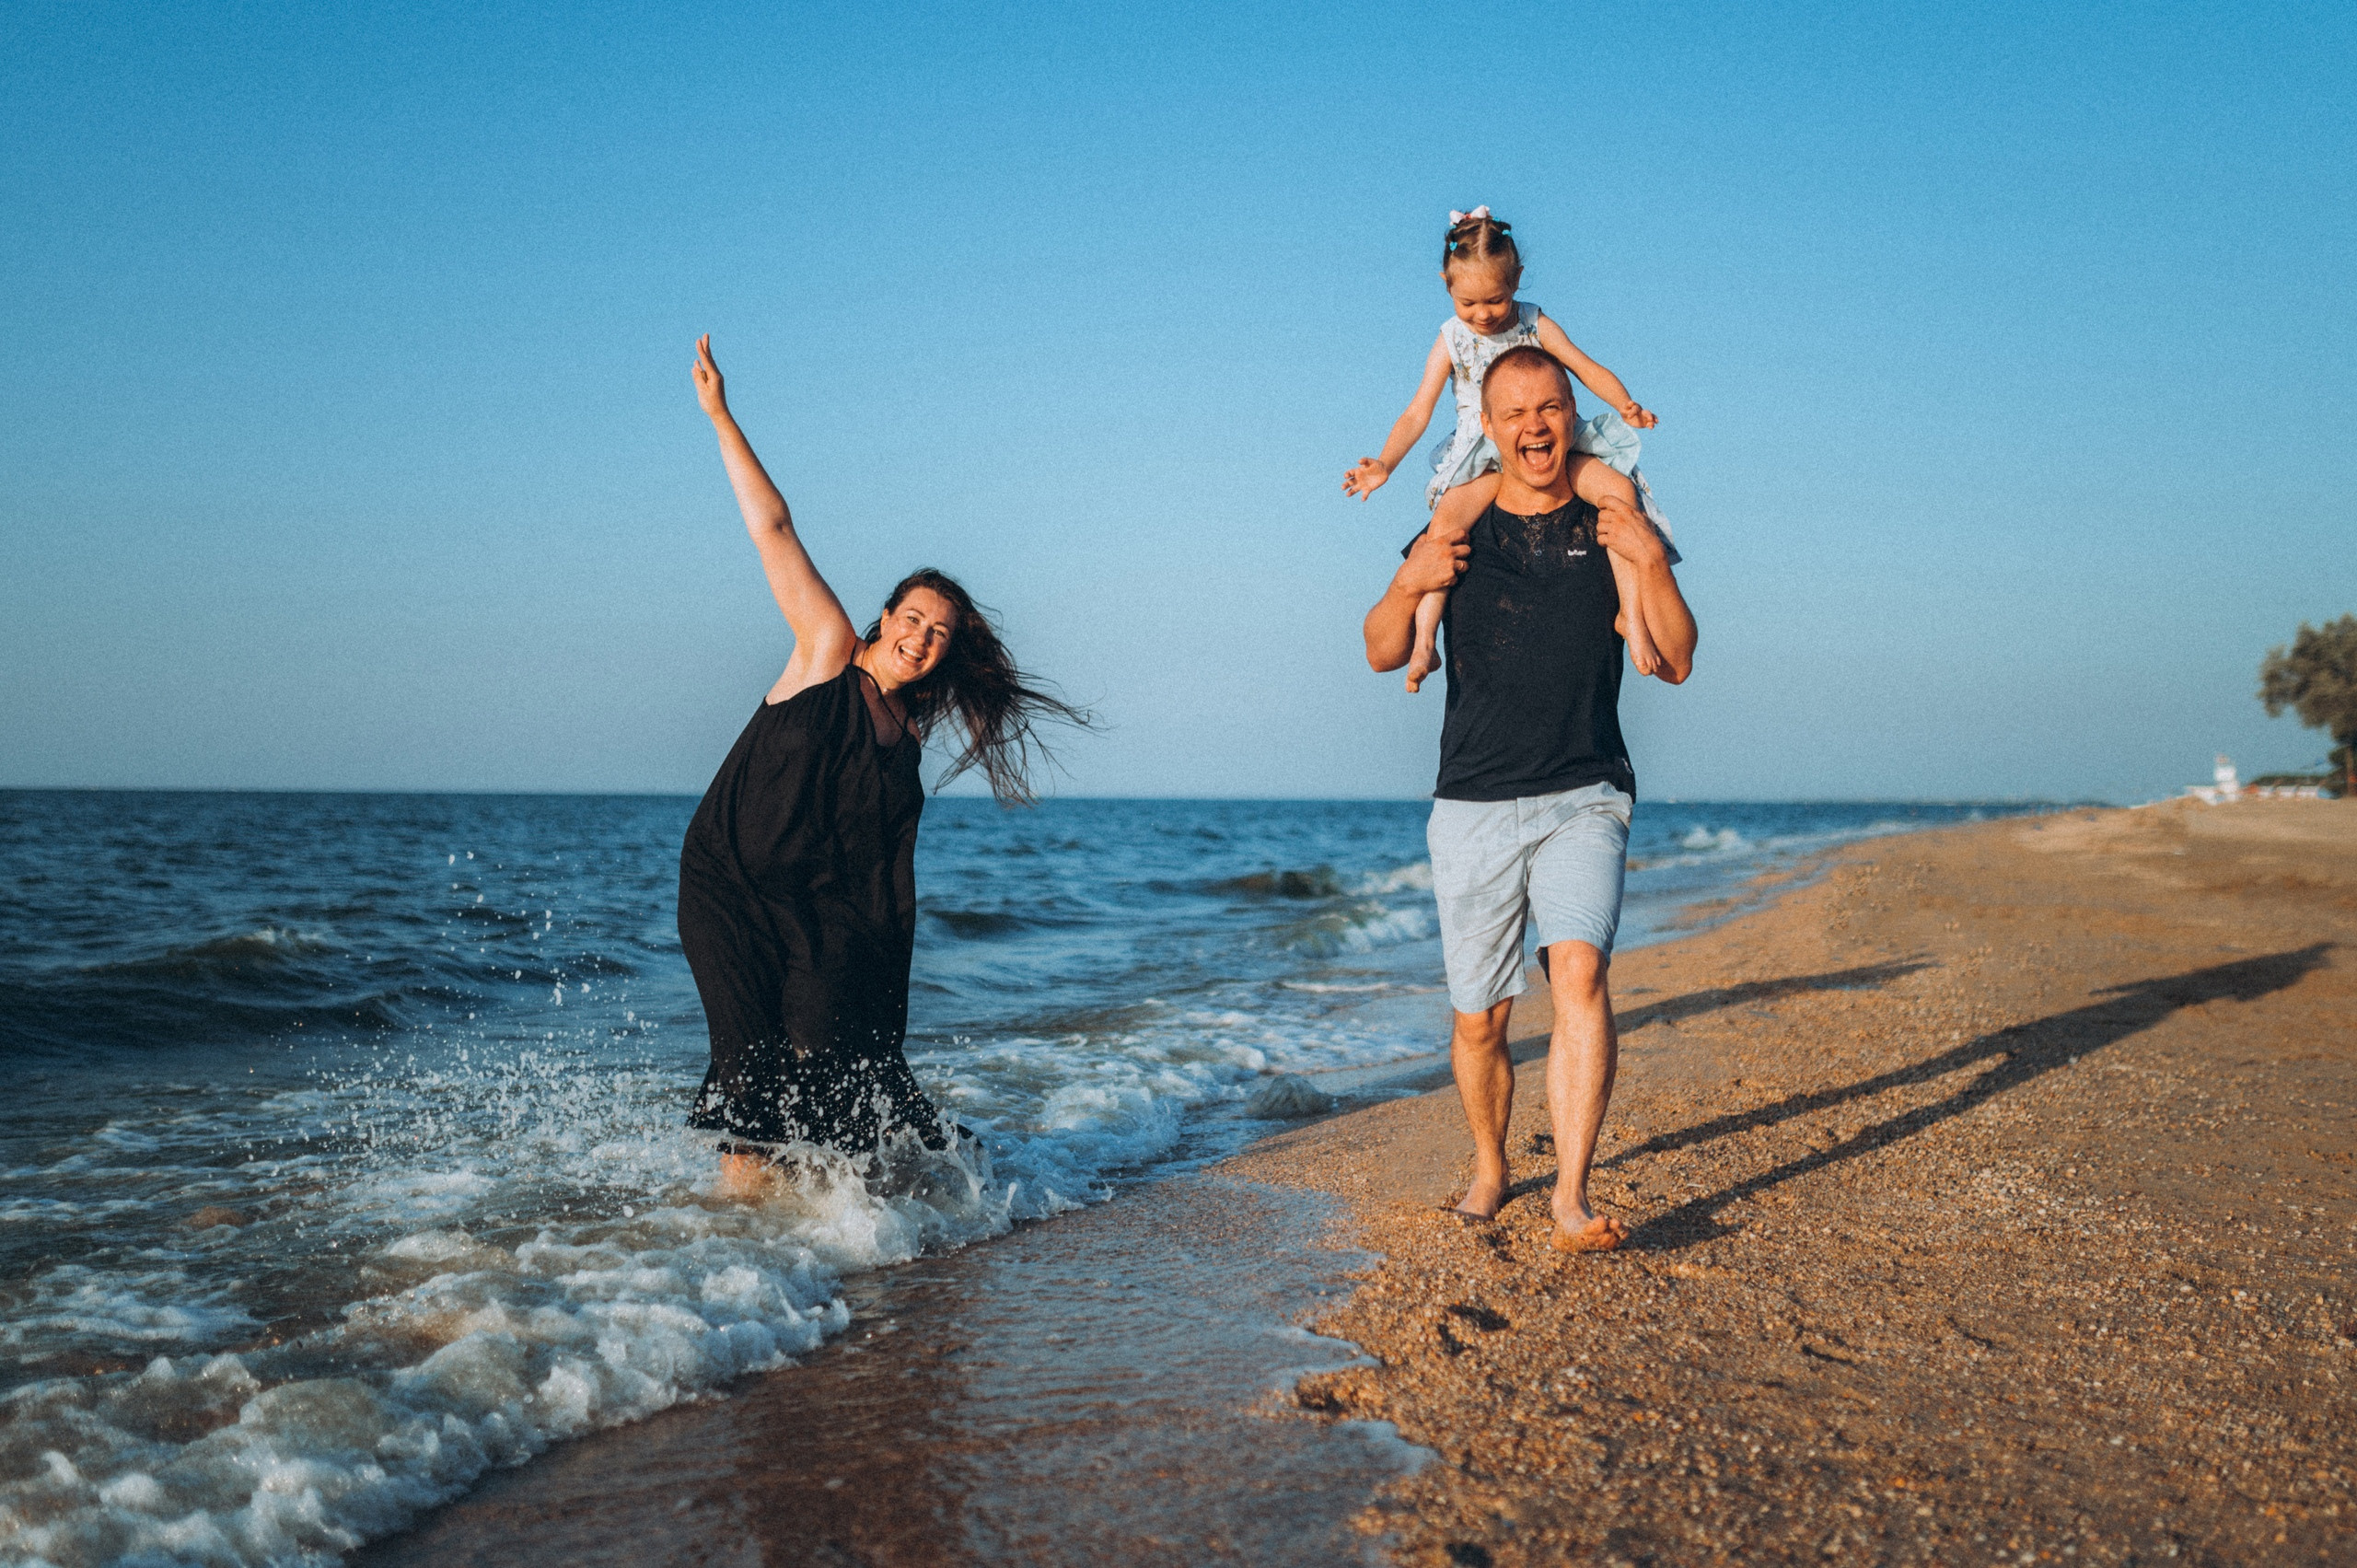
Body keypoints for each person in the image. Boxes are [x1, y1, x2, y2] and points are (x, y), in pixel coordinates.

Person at [680, 335, 1086, 1198]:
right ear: (882, 617)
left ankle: (824, 1233)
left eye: (938, 632)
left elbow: (880, 876)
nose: (920, 636)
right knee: (750, 1074)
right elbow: (775, 526)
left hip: (812, 912)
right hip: (728, 884)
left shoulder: (903, 735)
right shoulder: (826, 653)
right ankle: (741, 1249)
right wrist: (721, 414)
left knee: (830, 1062)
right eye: (911, 617)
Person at [1361, 344, 1697, 1253]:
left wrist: (1651, 563)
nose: (1535, 425)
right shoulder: (1457, 526)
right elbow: (1381, 648)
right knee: (1480, 1018)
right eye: (1515, 412)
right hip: (1470, 798)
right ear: (1491, 424)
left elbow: (1677, 657)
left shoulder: (1612, 515)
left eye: (1550, 407)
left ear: (1570, 415)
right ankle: (1490, 1165)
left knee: (1579, 972)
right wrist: (1410, 580)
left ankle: (1571, 1196)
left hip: (1585, 787)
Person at [1343, 207, 1678, 691]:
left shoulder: (1534, 323)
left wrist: (1626, 403)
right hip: (1480, 455)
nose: (1483, 315)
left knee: (1618, 491)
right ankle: (1423, 640)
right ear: (1446, 286)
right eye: (1469, 304)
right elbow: (1417, 411)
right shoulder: (1450, 339)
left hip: (1547, 441)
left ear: (1517, 280)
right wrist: (1385, 464)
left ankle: (1632, 614)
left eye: (1495, 300)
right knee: (1443, 531)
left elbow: (1585, 367)